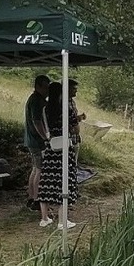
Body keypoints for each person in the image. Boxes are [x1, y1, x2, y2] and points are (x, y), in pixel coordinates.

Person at [36, 81, 78, 229]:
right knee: (64, 182)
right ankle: (62, 220)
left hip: (50, 148)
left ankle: (44, 218)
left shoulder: (45, 109)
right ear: (62, 93)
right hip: (64, 149)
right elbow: (75, 129)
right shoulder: (66, 108)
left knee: (47, 182)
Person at [24, 75, 51, 211]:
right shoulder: (36, 101)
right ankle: (36, 199)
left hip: (31, 140)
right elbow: (37, 121)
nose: (47, 90)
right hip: (36, 140)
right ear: (38, 86)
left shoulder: (35, 99)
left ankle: (31, 197)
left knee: (35, 169)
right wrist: (45, 137)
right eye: (46, 87)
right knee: (39, 169)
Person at [68, 79, 85, 167]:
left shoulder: (72, 102)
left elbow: (72, 117)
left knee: (74, 161)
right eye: (74, 88)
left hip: (75, 136)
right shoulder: (63, 102)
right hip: (69, 136)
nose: (76, 90)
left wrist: (79, 117)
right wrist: (78, 118)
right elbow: (67, 119)